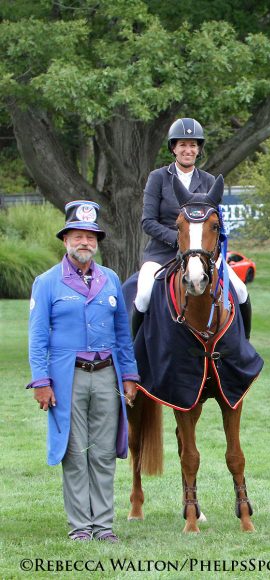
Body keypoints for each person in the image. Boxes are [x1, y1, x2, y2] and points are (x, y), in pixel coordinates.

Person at [27, 201, 139, 542]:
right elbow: (37, 337)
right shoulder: (47, 283)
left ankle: (104, 526)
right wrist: (41, 381)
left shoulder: (111, 280)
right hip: (67, 377)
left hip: (107, 374)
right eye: (77, 236)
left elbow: (123, 333)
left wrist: (130, 376)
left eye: (90, 237)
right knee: (74, 451)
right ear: (65, 241)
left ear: (97, 242)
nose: (84, 243)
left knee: (104, 452)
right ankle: (80, 527)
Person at [135, 118, 250, 333]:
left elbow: (215, 223)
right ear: (174, 148)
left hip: (204, 255)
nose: (188, 150)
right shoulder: (158, 178)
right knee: (143, 295)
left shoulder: (208, 181)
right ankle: (137, 351)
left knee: (241, 291)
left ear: (198, 150)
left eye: (193, 145)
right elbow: (148, 222)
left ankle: (243, 346)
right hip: (162, 253)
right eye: (183, 145)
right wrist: (179, 241)